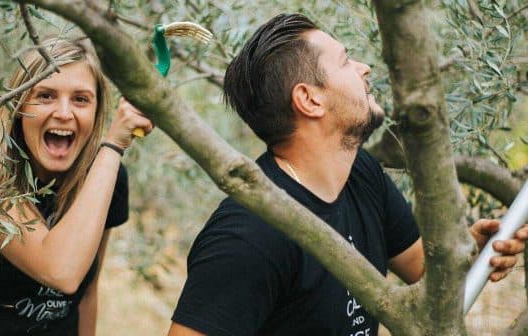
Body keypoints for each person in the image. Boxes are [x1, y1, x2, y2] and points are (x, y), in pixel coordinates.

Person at [168, 14, 528, 336]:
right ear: (309, 100)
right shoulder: (248, 237)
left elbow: (422, 271)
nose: (364, 67)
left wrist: (471, 250)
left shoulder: (361, 175)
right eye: (345, 61)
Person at [0, 38, 153, 335]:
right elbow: (61, 270)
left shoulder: (108, 177)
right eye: (46, 95)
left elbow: (86, 293)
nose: (64, 113)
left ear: (96, 110)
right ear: (19, 105)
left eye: (81, 99)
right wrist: (114, 143)